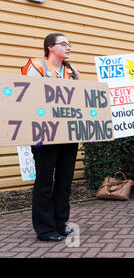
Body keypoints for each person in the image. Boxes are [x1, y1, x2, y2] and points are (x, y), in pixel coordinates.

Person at [21, 33, 80, 242]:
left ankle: (59, 224)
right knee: (45, 182)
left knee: (64, 182)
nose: (68, 47)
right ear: (50, 47)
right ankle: (45, 230)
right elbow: (28, 98)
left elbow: (79, 102)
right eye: (64, 44)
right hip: (45, 136)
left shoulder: (72, 71)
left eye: (69, 44)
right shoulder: (36, 68)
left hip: (68, 136)